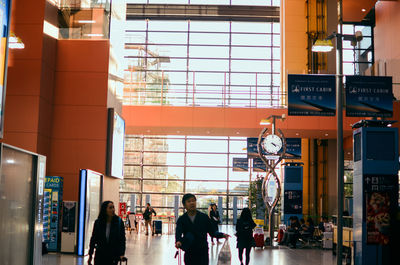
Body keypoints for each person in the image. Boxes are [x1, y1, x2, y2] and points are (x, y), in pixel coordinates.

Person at [175, 194, 229, 265]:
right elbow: (178, 232)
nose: (192, 203)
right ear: (184, 205)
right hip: (189, 251)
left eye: (193, 201)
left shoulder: (204, 217)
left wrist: (222, 235)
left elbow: (212, 232)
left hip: (202, 251)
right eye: (189, 201)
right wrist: (178, 241)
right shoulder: (182, 219)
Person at [88, 201, 126, 265]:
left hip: (113, 255)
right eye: (110, 208)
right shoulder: (98, 223)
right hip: (100, 255)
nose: (113, 210)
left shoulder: (119, 222)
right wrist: (90, 254)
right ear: (104, 209)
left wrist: (122, 254)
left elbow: (122, 239)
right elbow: (93, 238)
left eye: (113, 207)